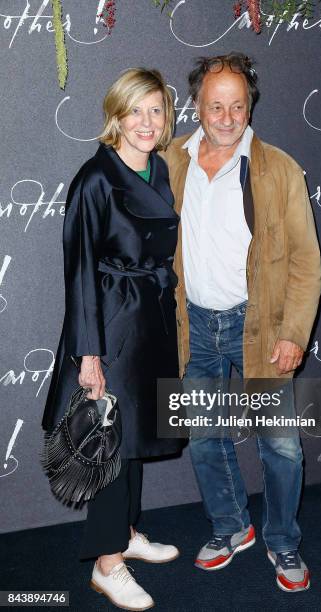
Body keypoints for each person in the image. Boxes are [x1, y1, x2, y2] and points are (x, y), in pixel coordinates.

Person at [163, 52, 321, 593]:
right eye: (215, 105)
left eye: (237, 105)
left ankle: (283, 542)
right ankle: (231, 526)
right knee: (205, 437)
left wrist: (294, 332)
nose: (227, 116)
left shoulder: (279, 168)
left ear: (249, 104)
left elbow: (305, 260)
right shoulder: (168, 162)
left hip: (258, 328)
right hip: (194, 327)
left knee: (280, 445)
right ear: (197, 106)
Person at [42, 68, 185, 611]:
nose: (147, 122)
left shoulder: (160, 169)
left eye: (156, 110)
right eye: (136, 111)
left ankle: (125, 533)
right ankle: (107, 565)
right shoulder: (94, 179)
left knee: (134, 440)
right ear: (116, 115)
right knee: (111, 444)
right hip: (110, 323)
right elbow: (78, 270)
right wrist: (89, 353)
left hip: (151, 318)